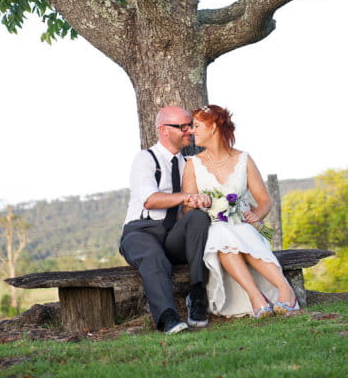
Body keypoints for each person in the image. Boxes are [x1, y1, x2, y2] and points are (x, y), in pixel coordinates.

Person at [182, 104, 299, 319]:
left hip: (245, 227)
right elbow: (187, 208)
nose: (191, 131)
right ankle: (256, 296)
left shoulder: (243, 159)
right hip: (214, 229)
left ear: (214, 127)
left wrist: (257, 215)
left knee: (240, 232)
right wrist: (200, 202)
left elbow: (264, 200)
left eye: (197, 125)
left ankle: (286, 290)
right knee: (220, 234)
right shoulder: (193, 164)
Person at [119, 105, 211, 334]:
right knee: (152, 255)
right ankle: (167, 317)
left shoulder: (190, 163)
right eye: (183, 127)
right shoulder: (145, 159)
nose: (189, 130)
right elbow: (150, 200)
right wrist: (188, 197)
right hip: (142, 231)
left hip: (172, 236)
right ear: (164, 130)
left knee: (199, 218)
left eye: (190, 125)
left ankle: (198, 295)